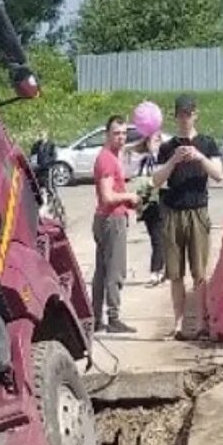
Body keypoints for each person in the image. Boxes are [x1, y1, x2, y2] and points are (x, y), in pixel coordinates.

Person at [151, 94, 223, 340]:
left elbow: (219, 175)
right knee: (175, 273)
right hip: (173, 212)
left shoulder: (207, 143)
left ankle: (204, 322)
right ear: (176, 116)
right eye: (181, 114)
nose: (185, 118)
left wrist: (199, 157)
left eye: (189, 114)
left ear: (196, 115)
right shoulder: (167, 147)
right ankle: (179, 323)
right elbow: (156, 180)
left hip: (197, 211)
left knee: (200, 272)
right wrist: (173, 160)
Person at [90, 115, 139, 334]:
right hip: (112, 218)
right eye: (116, 133)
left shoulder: (110, 155)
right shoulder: (107, 159)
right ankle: (113, 317)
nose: (120, 138)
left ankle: (96, 317)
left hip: (104, 218)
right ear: (107, 134)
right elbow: (108, 196)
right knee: (114, 270)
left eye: (123, 133)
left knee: (101, 270)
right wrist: (130, 196)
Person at [135, 129, 166, 285]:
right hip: (148, 203)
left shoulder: (163, 160)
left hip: (161, 202)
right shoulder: (144, 161)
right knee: (157, 237)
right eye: (151, 141)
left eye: (157, 141)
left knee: (158, 238)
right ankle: (162, 269)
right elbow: (139, 182)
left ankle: (156, 271)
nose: (154, 144)